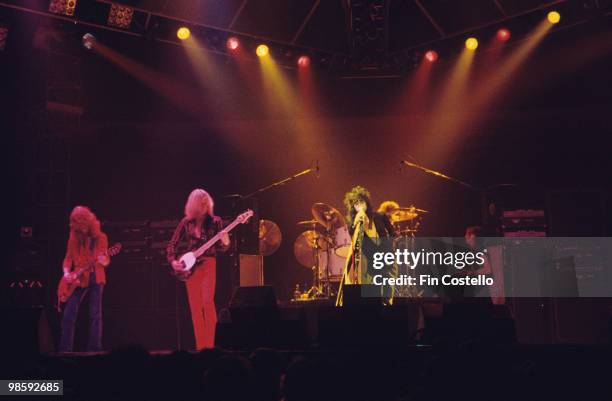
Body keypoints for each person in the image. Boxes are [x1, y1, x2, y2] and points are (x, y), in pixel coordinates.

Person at [167, 189, 230, 350]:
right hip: (190, 267)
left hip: (209, 263)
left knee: (207, 302)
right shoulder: (186, 222)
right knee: (195, 306)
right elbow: (172, 244)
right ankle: (201, 346)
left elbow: (222, 248)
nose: (203, 204)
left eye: (205, 201)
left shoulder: (216, 221)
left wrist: (226, 241)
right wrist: (173, 261)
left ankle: (212, 345)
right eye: (200, 201)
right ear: (193, 204)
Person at [59, 206, 109, 352]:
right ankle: (65, 349)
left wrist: (103, 259)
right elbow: (68, 258)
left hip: (96, 277)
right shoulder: (73, 236)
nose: (80, 231)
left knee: (95, 314)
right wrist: (66, 272)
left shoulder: (101, 237)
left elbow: (105, 261)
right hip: (78, 279)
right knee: (69, 313)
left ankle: (95, 349)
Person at [342, 186, 395, 294]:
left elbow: (392, 233)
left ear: (366, 202)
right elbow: (351, 239)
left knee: (385, 290)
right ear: (353, 207)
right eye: (356, 204)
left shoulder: (380, 216)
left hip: (382, 255)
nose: (359, 206)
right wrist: (354, 224)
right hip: (366, 259)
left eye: (361, 202)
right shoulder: (354, 222)